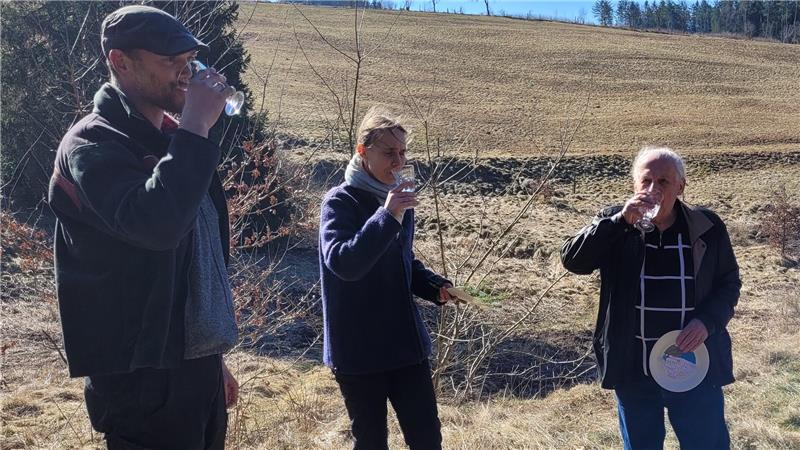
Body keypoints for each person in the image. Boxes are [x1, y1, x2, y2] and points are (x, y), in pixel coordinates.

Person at [48, 5, 239, 449]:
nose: (186, 74)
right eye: (170, 61)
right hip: (141, 381)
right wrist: (195, 125)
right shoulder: (91, 144)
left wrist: (214, 359)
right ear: (120, 62)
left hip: (196, 369)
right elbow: (157, 226)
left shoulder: (173, 144)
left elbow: (200, 258)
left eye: (189, 60)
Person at [561, 146, 741, 449]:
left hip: (694, 365)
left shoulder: (706, 227)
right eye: (645, 181)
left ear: (681, 187)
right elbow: (573, 261)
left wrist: (707, 322)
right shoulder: (615, 223)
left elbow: (729, 284)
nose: (652, 190)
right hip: (634, 370)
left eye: (663, 182)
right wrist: (619, 221)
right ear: (634, 184)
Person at [318, 105, 457, 450]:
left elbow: (401, 261)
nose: (399, 161)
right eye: (389, 152)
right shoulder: (339, 203)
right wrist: (388, 214)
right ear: (363, 152)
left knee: (427, 440)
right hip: (359, 353)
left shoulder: (396, 202)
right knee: (371, 444)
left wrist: (434, 287)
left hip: (405, 348)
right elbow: (344, 263)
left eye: (403, 152)